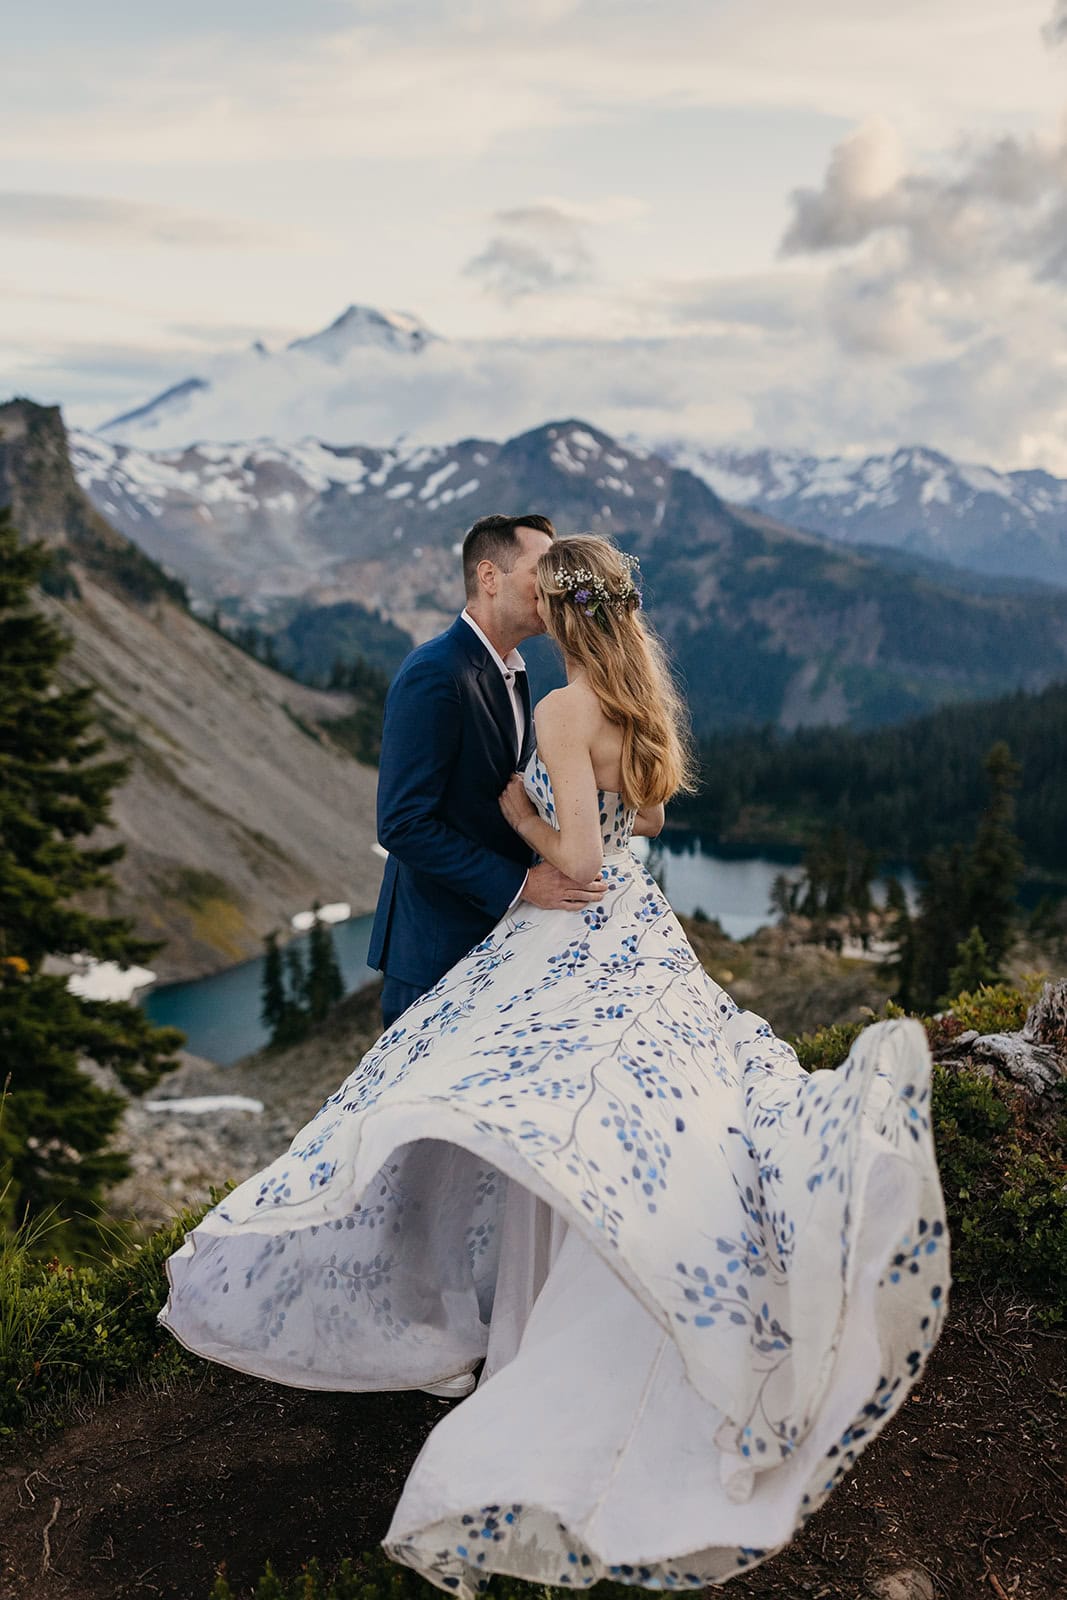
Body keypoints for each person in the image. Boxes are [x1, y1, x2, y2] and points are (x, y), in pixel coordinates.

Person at [159, 535, 948, 1597]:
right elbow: (646, 823)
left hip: (569, 930)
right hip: (637, 928)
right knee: (602, 1134)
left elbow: (572, 860)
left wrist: (518, 812)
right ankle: (546, 1317)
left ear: (565, 610)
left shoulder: (565, 709)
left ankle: (508, 1333)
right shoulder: (636, 704)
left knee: (513, 1117)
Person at [368, 512, 606, 1035]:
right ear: (489, 578)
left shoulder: (516, 672)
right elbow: (402, 824)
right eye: (540, 570)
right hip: (434, 950)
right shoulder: (435, 672)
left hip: (495, 943)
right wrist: (521, 883)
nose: (555, 585)